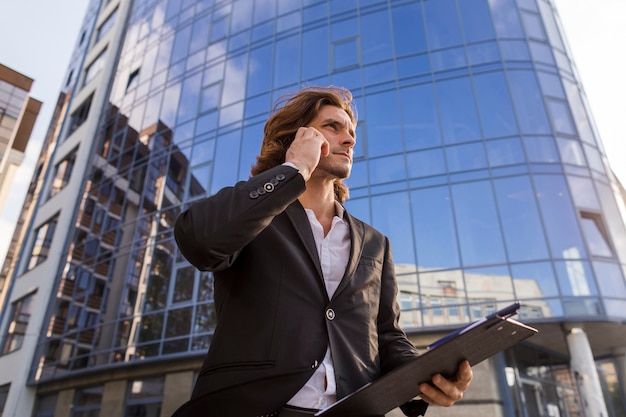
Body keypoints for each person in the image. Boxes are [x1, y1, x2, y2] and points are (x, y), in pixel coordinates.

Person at [171, 86, 472, 417]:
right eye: (333, 127)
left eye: (352, 132)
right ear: (297, 136)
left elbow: (387, 337)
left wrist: (426, 376)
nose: (350, 140)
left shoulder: (375, 243)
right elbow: (198, 240)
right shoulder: (254, 216)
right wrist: (295, 167)